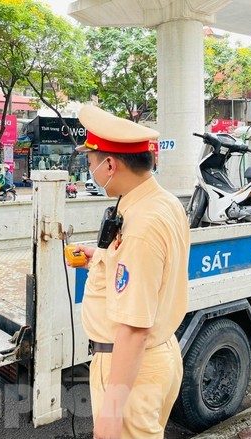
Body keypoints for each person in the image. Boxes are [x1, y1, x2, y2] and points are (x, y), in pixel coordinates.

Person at [73, 105, 190, 438]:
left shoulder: (142, 225)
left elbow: (134, 329)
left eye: (91, 162)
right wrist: (101, 256)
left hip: (130, 369)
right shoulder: (160, 201)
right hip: (156, 356)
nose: (90, 170)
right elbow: (148, 270)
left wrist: (110, 416)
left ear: (110, 164)